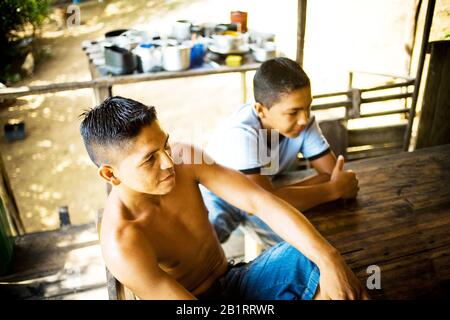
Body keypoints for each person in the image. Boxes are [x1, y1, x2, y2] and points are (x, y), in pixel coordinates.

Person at [79, 96, 368, 300]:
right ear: (110, 174)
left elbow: (260, 201)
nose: (168, 162)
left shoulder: (184, 156)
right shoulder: (122, 242)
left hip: (234, 280)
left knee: (314, 259)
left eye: (165, 145)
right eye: (149, 160)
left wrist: (330, 259)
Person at [201, 57, 359, 244]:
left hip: (264, 189)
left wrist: (278, 195)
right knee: (201, 251)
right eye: (293, 112)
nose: (304, 119)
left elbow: (331, 173)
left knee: (302, 248)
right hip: (219, 197)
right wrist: (332, 190)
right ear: (261, 110)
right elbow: (266, 203)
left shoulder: (303, 122)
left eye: (308, 107)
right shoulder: (241, 134)